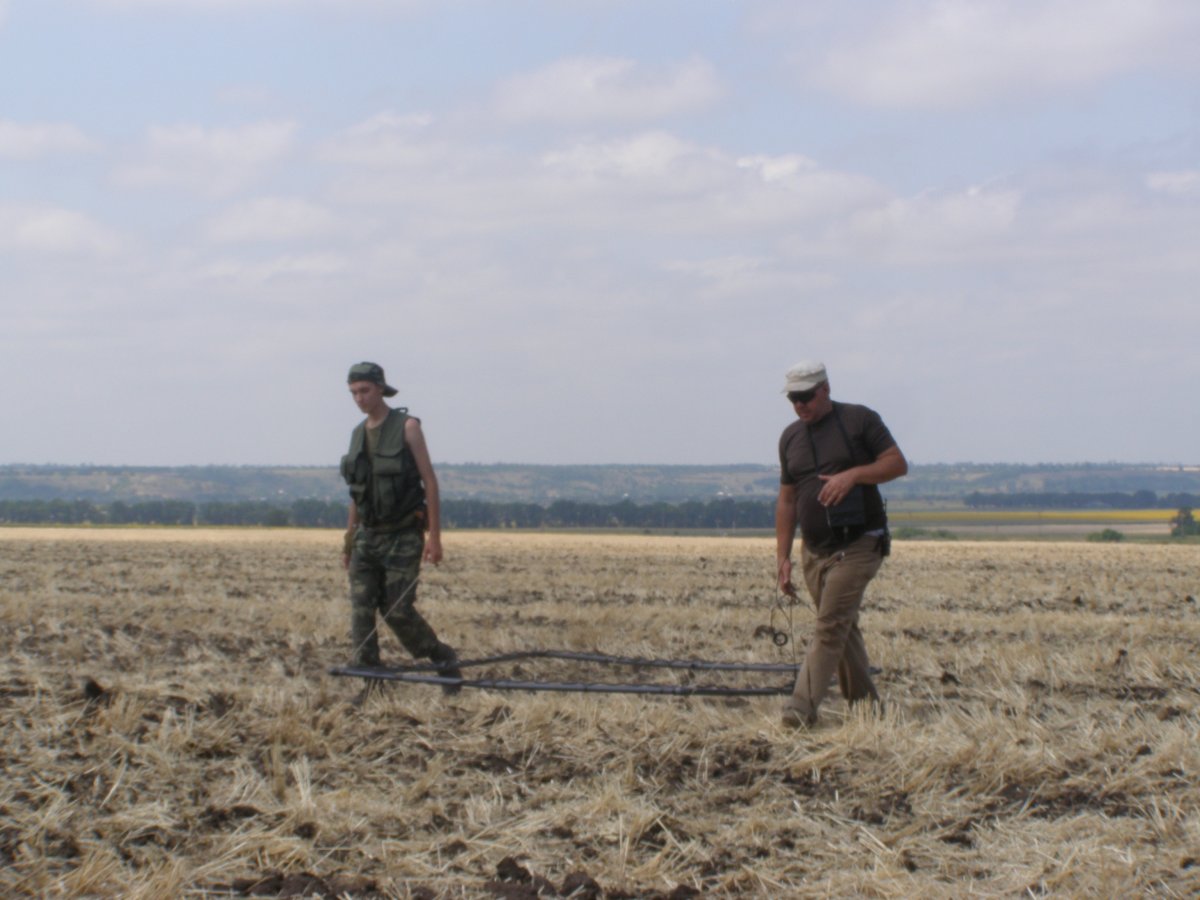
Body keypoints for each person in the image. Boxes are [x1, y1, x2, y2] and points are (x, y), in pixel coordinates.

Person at [775, 360, 907, 728]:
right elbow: (787, 500)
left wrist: (853, 476)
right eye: (793, 399)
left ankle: (799, 710)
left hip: (860, 543)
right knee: (842, 628)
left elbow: (897, 464)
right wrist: (783, 557)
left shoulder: (859, 420)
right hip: (814, 550)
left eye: (805, 397)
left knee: (829, 626)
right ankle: (869, 712)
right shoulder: (790, 438)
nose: (800, 406)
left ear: (826, 389)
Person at [340, 362, 462, 694]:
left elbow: (430, 482)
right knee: (361, 609)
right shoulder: (357, 435)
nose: (360, 398)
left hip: (403, 535)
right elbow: (356, 494)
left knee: (397, 610)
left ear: (380, 388)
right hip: (367, 537)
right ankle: (370, 683)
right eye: (354, 393)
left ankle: (441, 657)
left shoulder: (407, 427)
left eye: (365, 390)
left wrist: (434, 539)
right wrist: (349, 542)